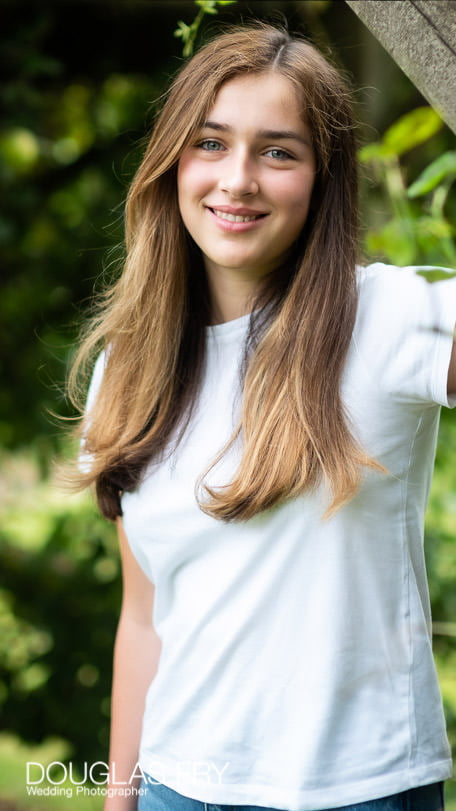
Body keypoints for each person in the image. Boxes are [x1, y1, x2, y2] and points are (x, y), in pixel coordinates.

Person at [69, 21, 456, 811]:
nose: (237, 179)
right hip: (179, 787)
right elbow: (145, 621)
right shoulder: (127, 369)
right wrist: (121, 797)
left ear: (321, 179)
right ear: (172, 161)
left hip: (358, 789)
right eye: (210, 143)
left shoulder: (384, 316)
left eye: (278, 151)